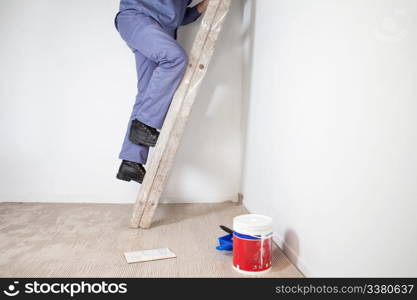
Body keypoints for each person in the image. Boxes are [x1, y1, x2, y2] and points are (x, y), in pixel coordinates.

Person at [114, 0, 210, 184]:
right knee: (175, 58)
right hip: (136, 19)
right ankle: (144, 125)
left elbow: (176, 16)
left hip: (159, 30)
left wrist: (202, 6)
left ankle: (131, 162)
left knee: (147, 91)